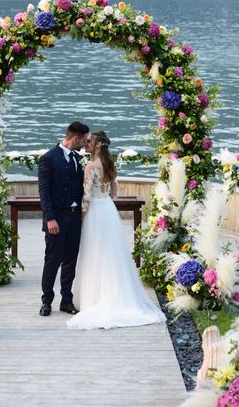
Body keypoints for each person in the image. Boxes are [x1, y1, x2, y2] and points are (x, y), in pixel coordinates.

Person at [67, 131, 166, 330]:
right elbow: (114, 193)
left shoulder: (90, 167)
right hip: (108, 211)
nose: (86, 144)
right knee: (112, 254)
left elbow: (86, 198)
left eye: (89, 142)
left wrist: (82, 218)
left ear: (97, 145)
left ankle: (93, 298)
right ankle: (114, 293)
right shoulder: (110, 165)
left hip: (94, 211)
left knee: (94, 253)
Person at [38, 121, 90, 317]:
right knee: (52, 260)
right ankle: (46, 301)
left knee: (70, 261)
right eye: (84, 140)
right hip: (56, 218)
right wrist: (49, 218)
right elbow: (44, 191)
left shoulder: (78, 158)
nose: (85, 144)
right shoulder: (48, 158)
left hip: (74, 218)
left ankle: (66, 301)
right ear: (74, 138)